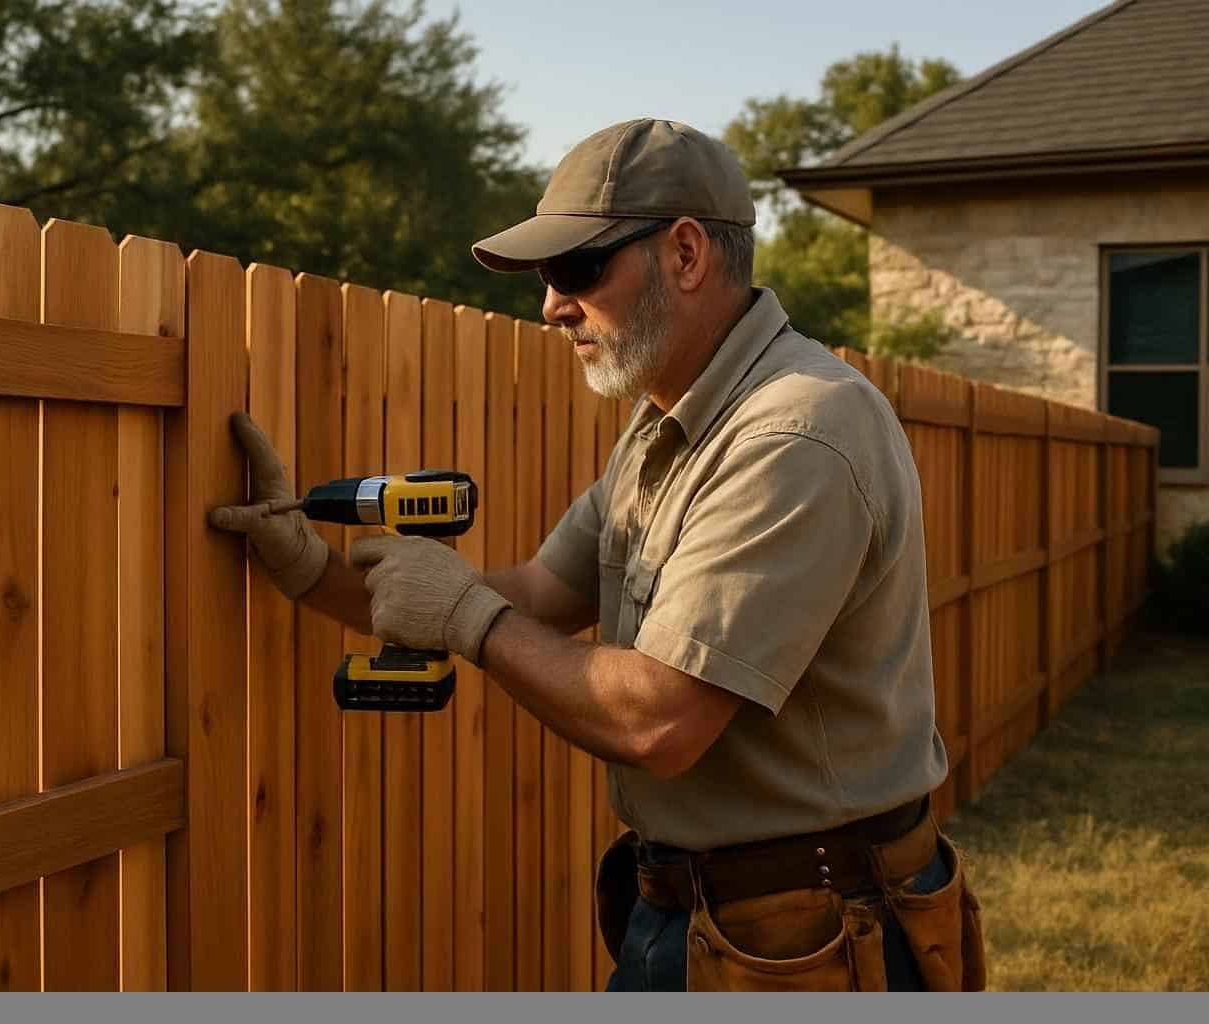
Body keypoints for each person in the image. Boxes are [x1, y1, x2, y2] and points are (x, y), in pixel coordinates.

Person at [209, 118, 986, 992]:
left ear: (686, 254)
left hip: (812, 940)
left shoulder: (798, 432)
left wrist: (467, 614)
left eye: (577, 270)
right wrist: (309, 568)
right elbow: (540, 593)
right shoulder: (669, 422)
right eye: (545, 277)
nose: (550, 304)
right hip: (701, 918)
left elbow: (661, 720)